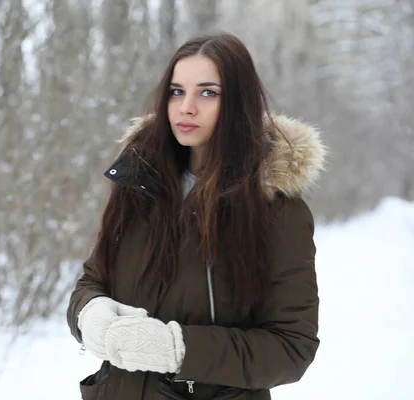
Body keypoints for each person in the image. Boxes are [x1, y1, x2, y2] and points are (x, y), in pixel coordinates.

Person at [66, 32, 326, 400]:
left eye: (208, 93)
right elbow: (93, 278)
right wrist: (88, 312)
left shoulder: (275, 207)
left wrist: (177, 348)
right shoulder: (138, 183)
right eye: (176, 91)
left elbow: (291, 347)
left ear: (239, 103)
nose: (186, 107)